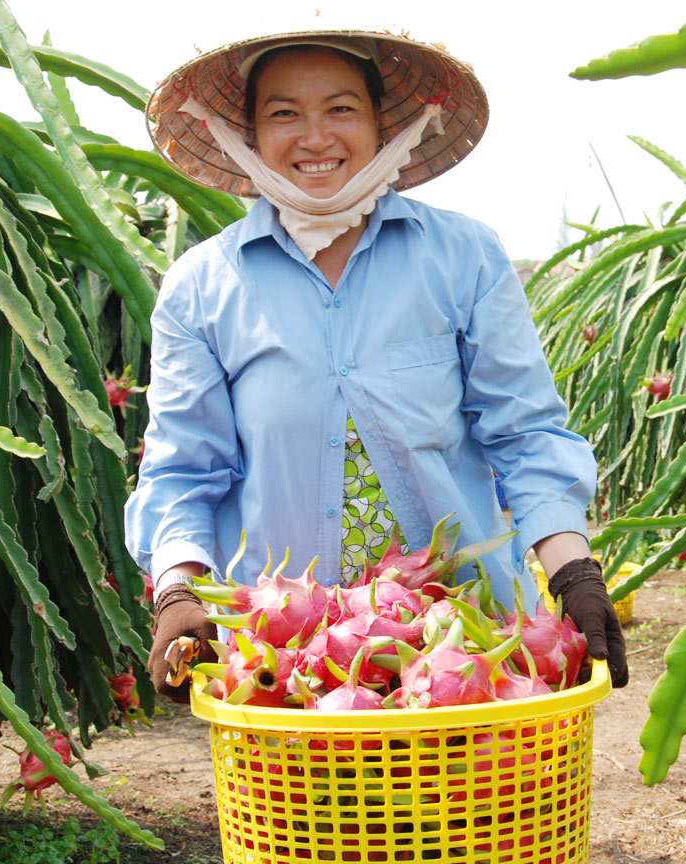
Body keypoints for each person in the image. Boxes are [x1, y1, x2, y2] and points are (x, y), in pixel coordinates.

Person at [128, 30, 627, 702]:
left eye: (340, 109)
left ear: (380, 124)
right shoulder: (201, 287)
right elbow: (184, 467)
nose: (314, 137)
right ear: (245, 133)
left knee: (476, 810)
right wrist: (179, 594)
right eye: (283, 114)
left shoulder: (463, 257)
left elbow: (525, 432)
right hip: (287, 665)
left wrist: (573, 572)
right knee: (299, 814)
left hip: (467, 648)